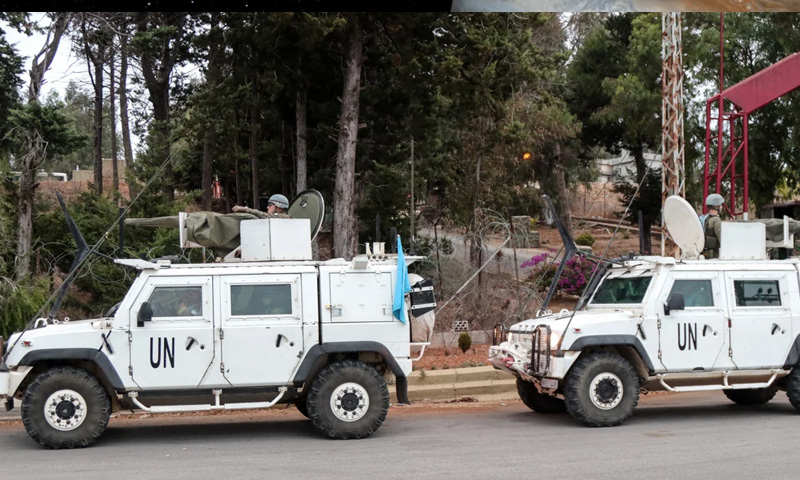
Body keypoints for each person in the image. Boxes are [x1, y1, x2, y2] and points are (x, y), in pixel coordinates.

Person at [700, 193, 724, 259]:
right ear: (716, 206)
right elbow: (722, 239)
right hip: (714, 256)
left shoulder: (704, 218)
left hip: (705, 254)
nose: (721, 207)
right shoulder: (716, 220)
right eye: (720, 205)